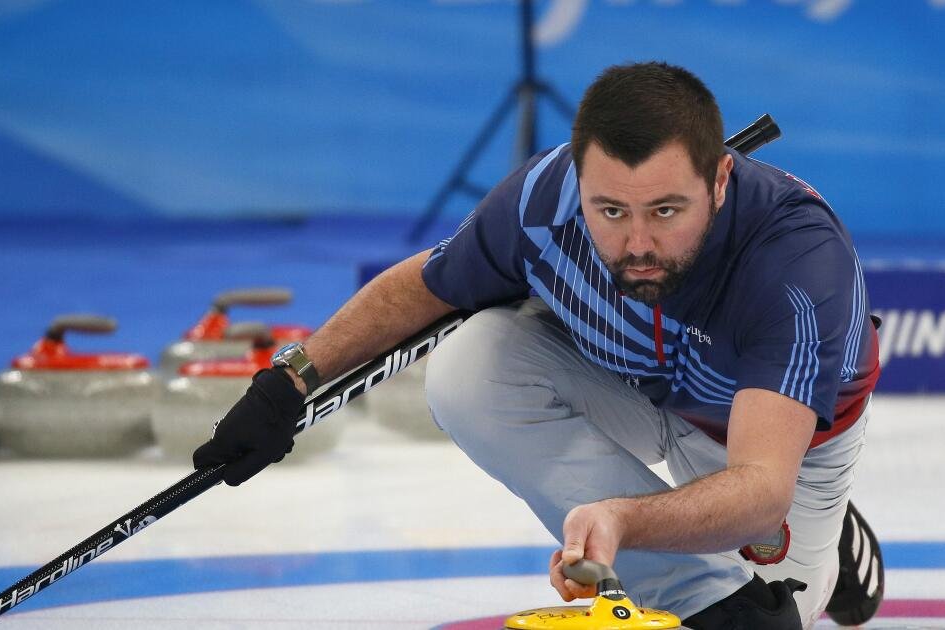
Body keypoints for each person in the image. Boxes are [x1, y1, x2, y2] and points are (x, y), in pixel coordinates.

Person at [194, 61, 883, 629]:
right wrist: (288, 383)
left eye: (666, 211)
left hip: (765, 443)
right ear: (578, 183)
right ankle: (700, 589)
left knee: (779, 611)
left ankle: (833, 550)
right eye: (610, 210)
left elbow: (760, 492)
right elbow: (425, 288)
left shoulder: (797, 262)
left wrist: (620, 518)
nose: (637, 244)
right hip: (635, 383)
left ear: (722, 179)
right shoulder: (543, 199)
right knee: (470, 362)